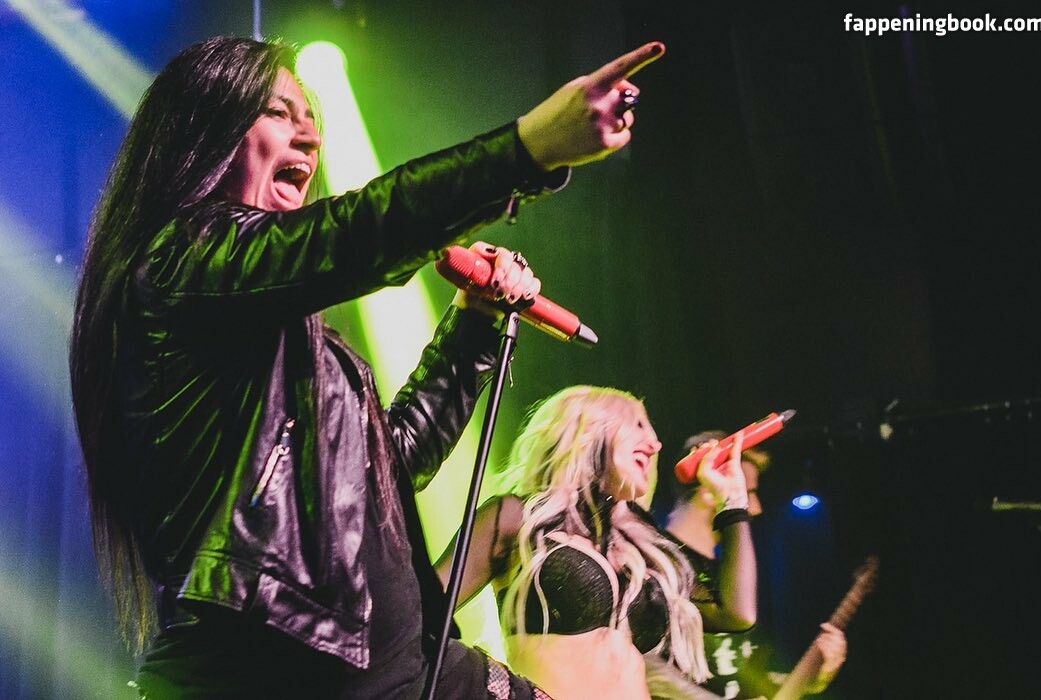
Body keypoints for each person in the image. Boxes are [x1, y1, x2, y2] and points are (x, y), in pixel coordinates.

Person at [68, 35, 664, 698]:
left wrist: (474, 323)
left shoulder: (284, 335)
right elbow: (357, 231)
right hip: (295, 667)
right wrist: (527, 150)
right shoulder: (179, 262)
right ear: (205, 131)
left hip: (391, 663)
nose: (310, 136)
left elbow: (388, 467)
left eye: (312, 118)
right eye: (279, 113)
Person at [435, 386, 757, 699]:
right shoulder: (518, 518)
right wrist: (481, 681)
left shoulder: (637, 546)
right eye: (638, 425)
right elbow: (424, 610)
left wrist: (732, 501)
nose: (655, 444)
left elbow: (736, 613)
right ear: (588, 428)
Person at [665, 431, 847, 699]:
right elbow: (648, 673)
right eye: (748, 492)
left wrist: (813, 680)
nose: (756, 507)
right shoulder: (658, 566)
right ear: (709, 487)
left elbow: (738, 680)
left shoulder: (727, 575)